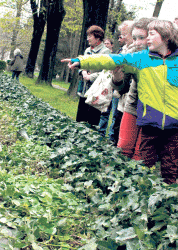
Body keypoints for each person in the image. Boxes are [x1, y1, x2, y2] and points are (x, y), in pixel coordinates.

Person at [62, 19, 178, 184]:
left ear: (166, 38)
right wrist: (82, 61)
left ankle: (166, 201)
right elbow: (112, 60)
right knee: (144, 164)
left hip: (175, 127)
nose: (146, 40)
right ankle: (136, 192)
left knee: (170, 168)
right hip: (150, 124)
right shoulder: (142, 58)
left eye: (151, 35)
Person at [115, 17, 156, 160]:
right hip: (133, 104)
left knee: (140, 153)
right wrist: (117, 76)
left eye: (141, 38)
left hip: (154, 109)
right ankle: (117, 180)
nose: (137, 43)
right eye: (134, 38)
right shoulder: (131, 54)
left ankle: (137, 181)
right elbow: (122, 87)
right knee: (123, 147)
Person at [75, 25, 111, 127]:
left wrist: (91, 76)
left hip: (96, 91)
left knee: (92, 120)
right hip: (84, 89)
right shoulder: (87, 50)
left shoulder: (105, 52)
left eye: (90, 36)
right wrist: (84, 72)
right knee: (80, 118)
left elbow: (106, 72)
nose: (88, 39)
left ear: (98, 37)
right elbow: (83, 64)